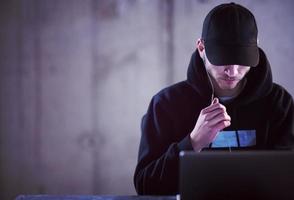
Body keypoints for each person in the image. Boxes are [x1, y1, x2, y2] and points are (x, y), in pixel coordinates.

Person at [133, 2, 294, 195]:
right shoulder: (166, 104)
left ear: (256, 48)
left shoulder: (279, 103)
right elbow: (145, 186)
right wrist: (193, 143)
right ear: (201, 48)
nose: (233, 72)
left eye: (242, 60)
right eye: (223, 59)